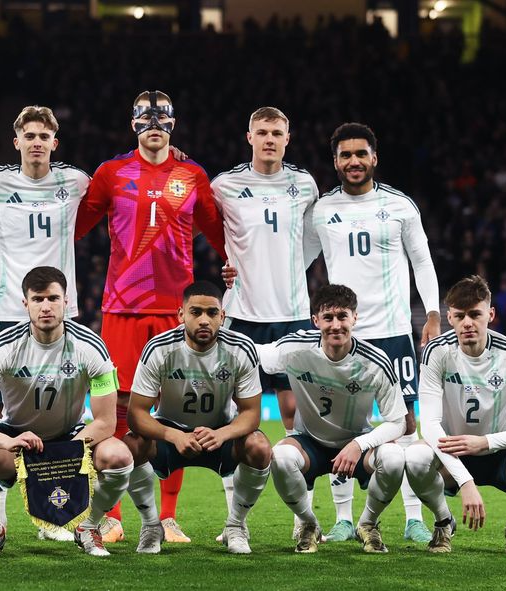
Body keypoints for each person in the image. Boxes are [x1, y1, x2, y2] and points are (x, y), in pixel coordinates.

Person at [75, 90, 228, 544]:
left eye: (162, 117)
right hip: (121, 307)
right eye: (145, 117)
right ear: (133, 124)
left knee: (172, 409)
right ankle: (113, 514)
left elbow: (222, 234)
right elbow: (74, 226)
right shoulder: (109, 173)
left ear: (174, 124)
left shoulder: (193, 174)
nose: (154, 123)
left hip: (174, 309)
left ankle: (167, 515)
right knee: (119, 411)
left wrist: (231, 264)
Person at [306, 122, 441, 543]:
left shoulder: (400, 205)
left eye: (360, 154)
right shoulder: (323, 209)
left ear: (374, 157)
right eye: (345, 155)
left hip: (393, 331)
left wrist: (432, 315)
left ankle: (413, 517)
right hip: (343, 336)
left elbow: (422, 261)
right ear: (335, 161)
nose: (353, 162)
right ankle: (345, 518)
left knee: (404, 425)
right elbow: (298, 261)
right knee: (340, 425)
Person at [0, 266, 134, 557]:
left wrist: (66, 450)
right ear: (25, 304)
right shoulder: (2, 346)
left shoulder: (91, 346)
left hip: (72, 438)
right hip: (16, 439)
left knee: (119, 456)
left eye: (53, 298)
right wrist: (6, 442)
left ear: (66, 301)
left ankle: (88, 528)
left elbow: (105, 421)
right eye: (38, 299)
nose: (46, 306)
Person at [0, 105, 91, 542]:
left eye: (45, 135)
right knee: (1, 418)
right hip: (7, 309)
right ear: (16, 141)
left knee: (59, 415)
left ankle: (51, 516)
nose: (37, 142)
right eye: (30, 135)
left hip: (61, 309)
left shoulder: (75, 181)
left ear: (54, 143)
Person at [210, 106, 319, 534]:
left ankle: (302, 520)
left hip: (292, 316)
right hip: (241, 315)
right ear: (249, 136)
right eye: (262, 132)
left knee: (298, 418)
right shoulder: (226, 184)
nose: (269, 138)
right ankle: (235, 522)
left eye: (277, 132)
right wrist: (224, 261)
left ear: (288, 138)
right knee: (233, 419)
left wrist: (292, 267)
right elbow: (201, 218)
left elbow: (313, 239)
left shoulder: (305, 184)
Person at [407, 275, 506, 554]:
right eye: (460, 316)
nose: (467, 322)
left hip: (504, 455)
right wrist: (465, 481)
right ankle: (443, 522)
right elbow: (429, 425)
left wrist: (486, 442)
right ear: (450, 318)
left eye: (475, 314)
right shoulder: (437, 352)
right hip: (453, 451)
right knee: (415, 455)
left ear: (490, 314)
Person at [123, 281, 271, 555]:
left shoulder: (241, 348)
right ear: (181, 314)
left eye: (212, 313)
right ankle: (151, 526)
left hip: (219, 434)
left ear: (223, 317)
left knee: (259, 446)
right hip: (171, 434)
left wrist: (223, 434)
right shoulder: (159, 348)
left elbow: (251, 413)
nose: (204, 320)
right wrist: (173, 435)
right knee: (130, 446)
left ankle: (235, 526)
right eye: (196, 312)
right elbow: (136, 413)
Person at [262, 284, 408, 554]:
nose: (336, 325)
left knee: (395, 458)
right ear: (315, 320)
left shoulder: (375, 361)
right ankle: (309, 524)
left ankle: (368, 524)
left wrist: (359, 444)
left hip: (357, 444)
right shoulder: (296, 347)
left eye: (342, 316)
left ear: (355, 317)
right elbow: (255, 355)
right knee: (279, 458)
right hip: (309, 442)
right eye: (328, 318)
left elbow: (398, 422)